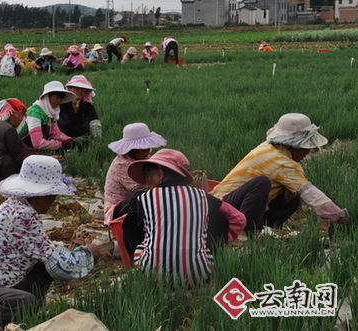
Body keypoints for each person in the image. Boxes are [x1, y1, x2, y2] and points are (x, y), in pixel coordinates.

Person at [0, 155, 100, 331]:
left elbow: (48, 254)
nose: (54, 200)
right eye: (51, 195)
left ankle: (25, 318)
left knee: (45, 264)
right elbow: (63, 268)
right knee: (24, 301)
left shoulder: (18, 206)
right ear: (39, 195)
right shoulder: (21, 215)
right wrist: (89, 252)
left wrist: (71, 251)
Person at [211, 113, 350, 232]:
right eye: (305, 147)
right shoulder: (280, 161)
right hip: (220, 209)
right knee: (261, 183)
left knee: (291, 195)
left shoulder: (272, 147)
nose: (308, 152)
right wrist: (339, 216)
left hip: (234, 204)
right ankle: (248, 230)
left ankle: (266, 228)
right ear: (293, 145)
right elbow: (311, 194)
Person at [124, 149, 213, 287]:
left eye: (148, 178)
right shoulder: (202, 196)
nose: (147, 185)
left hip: (154, 274)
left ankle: (142, 270)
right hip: (198, 274)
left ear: (159, 174)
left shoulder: (144, 198)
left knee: (130, 221)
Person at [103, 123, 166, 224]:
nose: (147, 150)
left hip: (133, 205)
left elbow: (159, 169)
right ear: (132, 149)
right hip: (119, 209)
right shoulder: (123, 164)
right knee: (140, 196)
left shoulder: (144, 157)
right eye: (143, 148)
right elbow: (142, 188)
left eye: (148, 147)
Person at [19, 81, 76, 150]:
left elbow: (55, 133)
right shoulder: (35, 113)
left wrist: (71, 140)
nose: (59, 101)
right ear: (48, 96)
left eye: (61, 98)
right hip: (24, 149)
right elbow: (38, 144)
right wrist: (61, 144)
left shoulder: (51, 113)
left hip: (35, 148)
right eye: (57, 97)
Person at [57, 75, 101, 140]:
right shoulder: (62, 105)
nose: (79, 91)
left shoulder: (87, 106)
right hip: (62, 140)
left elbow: (94, 121)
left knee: (88, 123)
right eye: (76, 88)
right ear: (70, 89)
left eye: (83, 89)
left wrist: (98, 139)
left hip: (82, 139)